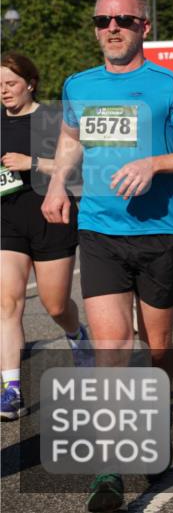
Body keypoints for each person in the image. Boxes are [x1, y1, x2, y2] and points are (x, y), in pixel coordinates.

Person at [42, 0, 173, 512]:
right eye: (102, 21)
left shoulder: (170, 86)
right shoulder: (79, 84)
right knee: (111, 351)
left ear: (145, 27)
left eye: (123, 20)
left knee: (158, 348)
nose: (111, 28)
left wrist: (153, 163)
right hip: (99, 231)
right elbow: (71, 138)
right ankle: (108, 469)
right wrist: (56, 181)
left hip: (161, 234)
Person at [1, 52, 89, 422]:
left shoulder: (51, 118)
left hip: (51, 217)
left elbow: (77, 167)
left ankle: (77, 334)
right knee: (7, 304)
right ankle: (11, 389)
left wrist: (31, 163)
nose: (4, 91)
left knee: (55, 305)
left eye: (10, 83)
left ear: (30, 83)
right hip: (6, 222)